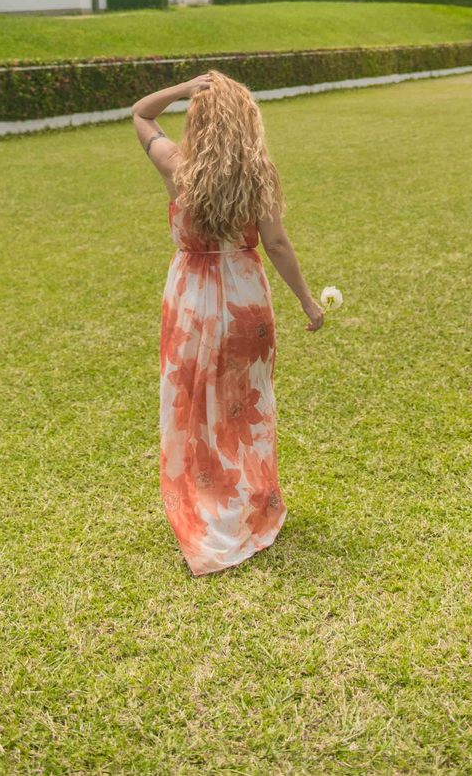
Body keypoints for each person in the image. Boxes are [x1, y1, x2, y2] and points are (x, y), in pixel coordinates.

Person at [131, 68, 323, 577]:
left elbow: (141, 113)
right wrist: (306, 301)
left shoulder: (177, 164)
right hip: (244, 299)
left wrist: (181, 90)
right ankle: (247, 504)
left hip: (191, 297)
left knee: (194, 404)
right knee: (246, 404)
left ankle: (205, 502)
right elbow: (277, 244)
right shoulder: (259, 174)